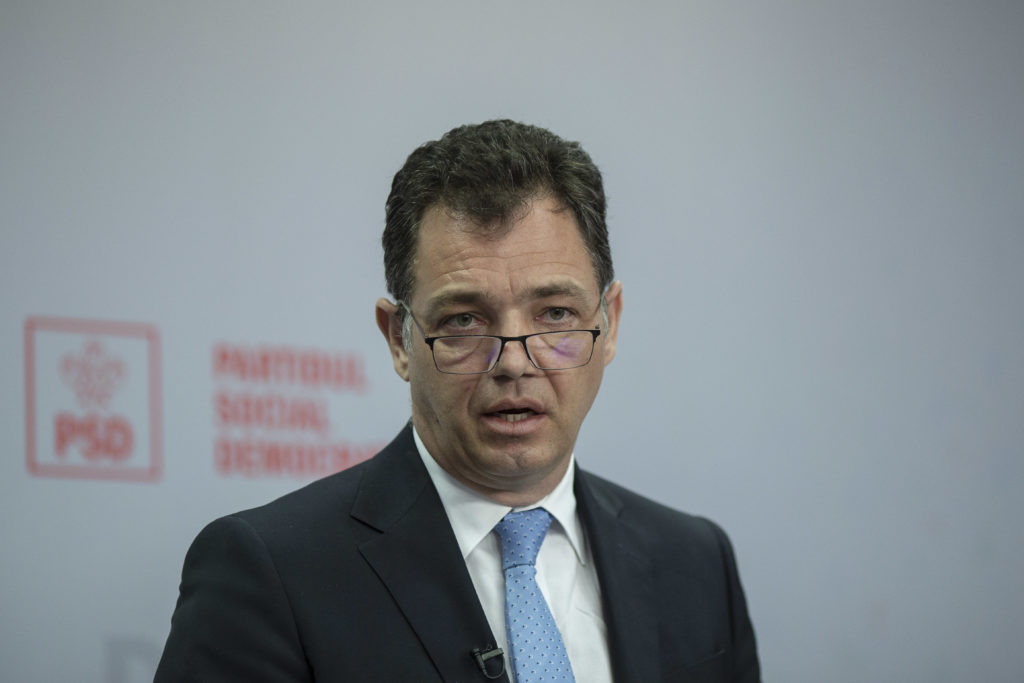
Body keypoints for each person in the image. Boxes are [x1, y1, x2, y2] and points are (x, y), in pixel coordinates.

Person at [155, 120, 760, 682]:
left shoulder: (695, 562)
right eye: (465, 320)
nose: (515, 362)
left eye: (555, 314)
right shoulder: (271, 572)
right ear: (399, 340)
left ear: (610, 323)